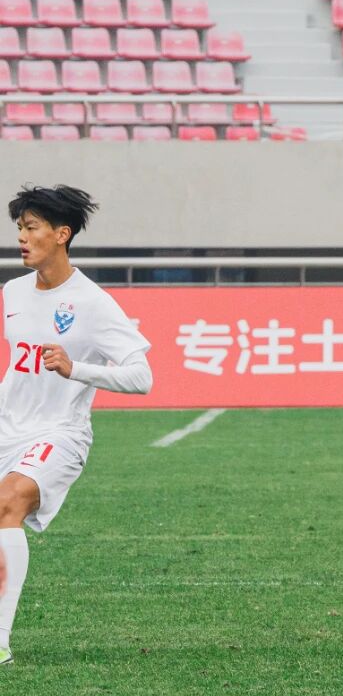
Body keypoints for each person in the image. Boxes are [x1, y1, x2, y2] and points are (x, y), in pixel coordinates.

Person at [0, 185, 153, 665]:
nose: (21, 237)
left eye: (31, 227)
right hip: (7, 428)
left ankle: (0, 640)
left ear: (61, 234)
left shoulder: (92, 302)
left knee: (9, 501)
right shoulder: (12, 292)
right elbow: (18, 367)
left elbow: (142, 377)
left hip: (60, 434)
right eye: (19, 228)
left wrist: (76, 369)